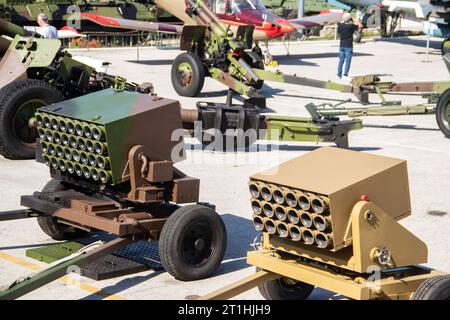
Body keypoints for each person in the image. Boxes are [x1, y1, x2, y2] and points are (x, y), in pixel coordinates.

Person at [336, 13, 363, 81]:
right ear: (349, 19)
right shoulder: (351, 26)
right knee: (348, 61)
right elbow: (360, 26)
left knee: (341, 61)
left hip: (341, 45)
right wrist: (354, 19)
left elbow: (338, 31)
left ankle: (338, 75)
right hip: (348, 46)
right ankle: (345, 75)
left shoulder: (340, 26)